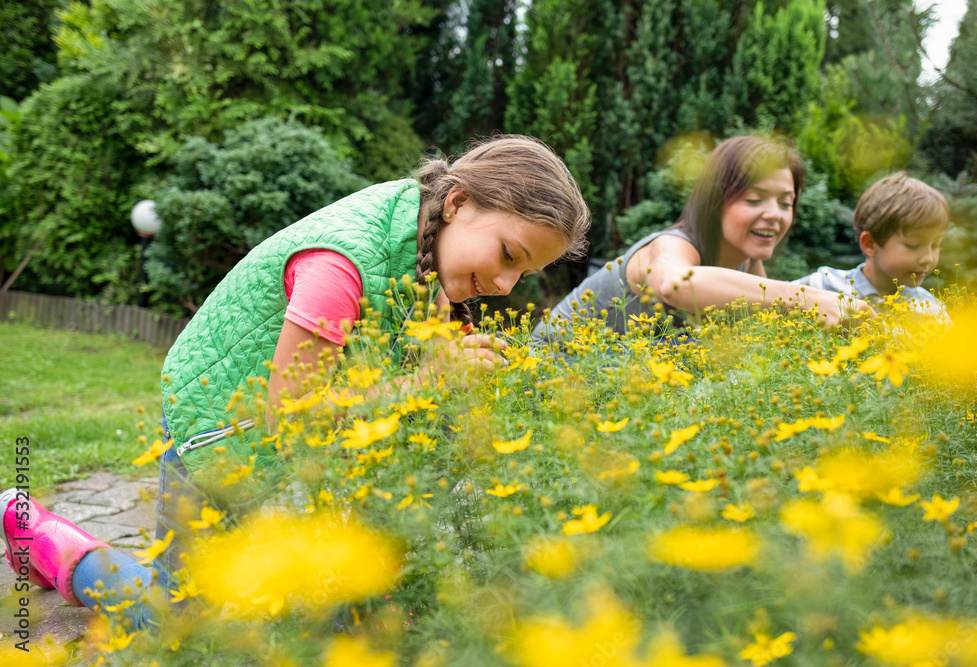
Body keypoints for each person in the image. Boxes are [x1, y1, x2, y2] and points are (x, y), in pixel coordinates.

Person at [0, 134, 591, 630]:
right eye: (508, 255)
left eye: (526, 272)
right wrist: (434, 378)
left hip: (283, 437)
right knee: (177, 624)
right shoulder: (341, 265)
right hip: (219, 428)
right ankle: (48, 541)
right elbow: (297, 413)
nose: (508, 285)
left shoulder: (423, 232)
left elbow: (396, 345)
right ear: (458, 202)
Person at [532, 135, 865, 346]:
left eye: (785, 202)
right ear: (716, 201)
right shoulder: (671, 247)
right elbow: (676, 284)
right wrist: (809, 298)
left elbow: (766, 335)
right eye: (754, 199)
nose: (774, 215)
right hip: (548, 383)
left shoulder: (749, 264)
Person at [793, 172, 949, 317]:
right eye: (913, 244)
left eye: (936, 245)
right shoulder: (824, 285)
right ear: (870, 244)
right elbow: (771, 296)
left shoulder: (931, 310)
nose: (928, 258)